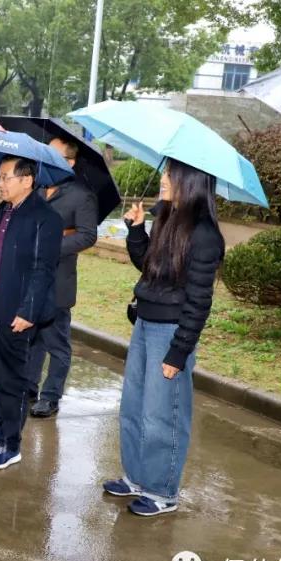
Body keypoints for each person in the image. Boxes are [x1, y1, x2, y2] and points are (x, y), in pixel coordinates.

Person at [103, 158, 224, 517]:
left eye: (171, 174)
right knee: (134, 407)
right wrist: (136, 230)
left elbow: (199, 301)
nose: (163, 179)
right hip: (144, 323)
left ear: (190, 180)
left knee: (162, 415)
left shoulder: (204, 234)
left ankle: (161, 490)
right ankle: (136, 477)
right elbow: (150, 268)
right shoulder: (167, 218)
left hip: (170, 333)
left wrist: (178, 353)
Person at [0, 156, 63, 471]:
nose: (0, 183)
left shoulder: (45, 218)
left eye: (6, 177)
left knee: (13, 378)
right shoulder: (4, 210)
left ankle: (10, 443)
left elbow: (43, 270)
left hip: (17, 310)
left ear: (27, 180)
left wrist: (28, 311)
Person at [25, 137, 98, 418]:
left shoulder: (81, 195)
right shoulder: (36, 187)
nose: (46, 158)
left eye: (53, 154)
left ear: (70, 162)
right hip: (30, 277)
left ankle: (51, 396)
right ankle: (28, 387)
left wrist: (51, 245)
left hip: (58, 279)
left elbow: (88, 235)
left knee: (56, 342)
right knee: (32, 337)